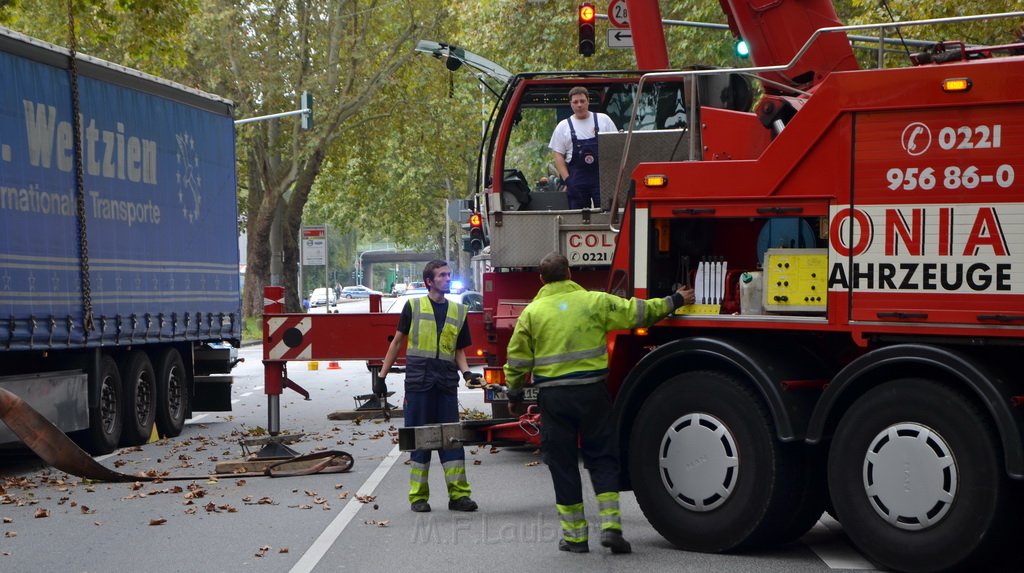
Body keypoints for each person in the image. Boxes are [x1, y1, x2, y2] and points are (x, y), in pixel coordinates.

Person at [503, 252, 695, 554]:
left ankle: (576, 539)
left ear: (541, 279)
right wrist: (675, 300)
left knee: (563, 464)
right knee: (602, 457)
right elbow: (637, 313)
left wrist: (513, 395)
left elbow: (517, 360)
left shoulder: (532, 313)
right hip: (593, 393)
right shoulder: (595, 301)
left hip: (554, 398)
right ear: (570, 273)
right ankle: (611, 527)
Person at [379, 260, 481, 513]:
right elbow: (397, 342)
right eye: (443, 275)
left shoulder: (459, 311)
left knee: (451, 439)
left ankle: (459, 496)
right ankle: (418, 497)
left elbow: (459, 349)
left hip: (446, 383)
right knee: (419, 439)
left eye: (448, 275)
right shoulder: (413, 306)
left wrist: (467, 373)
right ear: (429, 281)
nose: (448, 278)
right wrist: (381, 377)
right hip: (419, 383)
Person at [548, 86, 618, 210]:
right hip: (577, 180)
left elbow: (616, 146)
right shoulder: (563, 127)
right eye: (575, 102)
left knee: (606, 213)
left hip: (601, 179)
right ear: (571, 104)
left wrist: (613, 176)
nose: (579, 105)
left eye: (582, 101)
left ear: (588, 101)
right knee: (578, 217)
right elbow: (558, 155)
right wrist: (568, 180)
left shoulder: (603, 120)